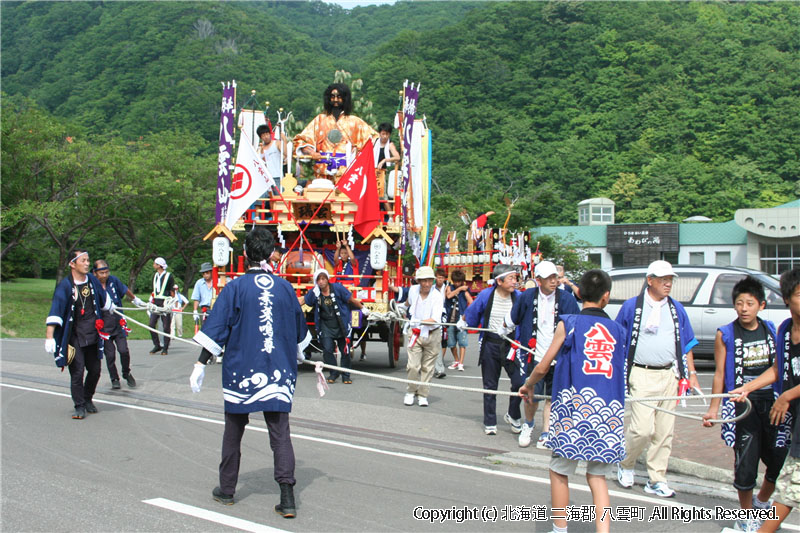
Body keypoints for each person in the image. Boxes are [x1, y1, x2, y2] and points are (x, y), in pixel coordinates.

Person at [189, 227, 311, 518]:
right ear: (271, 254)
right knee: (280, 433)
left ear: (244, 254)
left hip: (241, 369)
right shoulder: (285, 288)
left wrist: (200, 363)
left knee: (233, 429)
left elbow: (216, 330)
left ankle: (227, 490)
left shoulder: (234, 288)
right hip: (279, 371)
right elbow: (300, 335)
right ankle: (288, 496)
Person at [519, 269, 627, 533]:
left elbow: (544, 365)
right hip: (607, 412)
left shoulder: (568, 323)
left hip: (573, 410)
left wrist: (529, 384)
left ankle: (559, 528)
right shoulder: (618, 331)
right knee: (597, 476)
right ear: (607, 297)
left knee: (559, 470)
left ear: (578, 294)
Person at [701, 275, 788, 532]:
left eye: (750, 303)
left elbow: (778, 368)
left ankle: (763, 502)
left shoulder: (772, 329)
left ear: (761, 305)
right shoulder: (725, 333)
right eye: (739, 303)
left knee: (779, 460)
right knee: (746, 462)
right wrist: (714, 409)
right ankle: (746, 515)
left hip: (772, 403)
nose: (744, 308)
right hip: (742, 406)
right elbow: (719, 374)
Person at [615, 260, 700, 498]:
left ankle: (657, 478)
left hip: (670, 374)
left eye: (670, 279)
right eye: (663, 279)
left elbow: (687, 344)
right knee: (642, 429)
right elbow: (618, 339)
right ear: (649, 280)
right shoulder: (632, 307)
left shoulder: (676, 309)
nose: (667, 283)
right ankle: (626, 462)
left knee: (664, 431)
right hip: (641, 373)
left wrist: (691, 374)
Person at [730, 267, 800, 533]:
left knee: (788, 486)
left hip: (789, 412)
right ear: (786, 298)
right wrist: (747, 388)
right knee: (789, 487)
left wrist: (786, 396)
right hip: (795, 420)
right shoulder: (784, 330)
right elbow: (777, 368)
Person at [504, 260, 580, 449]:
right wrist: (502, 329)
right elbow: (513, 317)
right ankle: (528, 424)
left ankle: (547, 431)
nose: (554, 281)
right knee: (530, 393)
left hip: (558, 355)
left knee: (551, 396)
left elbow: (575, 325)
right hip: (533, 354)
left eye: (555, 277)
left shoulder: (567, 299)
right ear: (538, 280)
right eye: (549, 278)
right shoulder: (527, 296)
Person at [45, 250, 113, 419]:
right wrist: (49, 336)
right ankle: (79, 405)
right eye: (83, 260)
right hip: (75, 336)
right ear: (72, 264)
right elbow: (56, 310)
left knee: (95, 370)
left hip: (92, 334)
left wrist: (111, 305)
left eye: (88, 260)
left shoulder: (92, 281)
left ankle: (88, 398)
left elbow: (104, 299)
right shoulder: (66, 286)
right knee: (77, 372)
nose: (87, 263)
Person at [461, 264, 524, 435]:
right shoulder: (486, 295)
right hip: (491, 342)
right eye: (511, 278)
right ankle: (490, 421)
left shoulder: (519, 297)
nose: (514, 282)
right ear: (499, 281)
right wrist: (464, 321)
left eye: (515, 278)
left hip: (512, 344)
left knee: (520, 382)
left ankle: (513, 414)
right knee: (490, 385)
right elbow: (472, 311)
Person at [293, 83, 377, 181]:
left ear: (345, 99)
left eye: (339, 97)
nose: (335, 100)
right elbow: (301, 140)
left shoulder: (355, 121)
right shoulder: (319, 120)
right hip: (322, 171)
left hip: (347, 173)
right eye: (332, 97)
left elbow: (374, 139)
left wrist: (357, 154)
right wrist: (312, 152)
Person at [92, 260, 145, 390]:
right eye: (101, 273)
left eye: (106, 272)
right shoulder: (92, 285)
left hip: (117, 322)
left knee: (124, 350)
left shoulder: (113, 281)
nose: (104, 275)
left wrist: (135, 299)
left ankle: (126, 372)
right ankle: (114, 378)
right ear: (95, 273)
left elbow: (125, 289)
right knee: (110, 355)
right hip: (104, 326)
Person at [304, 269, 363, 384]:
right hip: (326, 325)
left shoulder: (338, 288)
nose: (321, 282)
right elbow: (307, 301)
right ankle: (333, 372)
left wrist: (363, 309)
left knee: (345, 350)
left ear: (327, 279)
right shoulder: (315, 292)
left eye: (323, 279)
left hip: (341, 324)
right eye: (318, 280)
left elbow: (351, 299)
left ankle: (346, 375)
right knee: (327, 349)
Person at [401, 266, 445, 407]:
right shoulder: (413, 290)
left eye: (429, 281)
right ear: (419, 281)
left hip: (432, 333)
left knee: (428, 367)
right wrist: (400, 307)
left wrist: (417, 321)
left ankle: (423, 394)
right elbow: (409, 303)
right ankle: (410, 391)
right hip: (415, 333)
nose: (426, 284)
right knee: (413, 366)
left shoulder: (437, 296)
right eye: (423, 281)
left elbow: (435, 319)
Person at [445, 269, 473, 373]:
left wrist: (466, 315)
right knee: (451, 343)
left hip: (461, 320)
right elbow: (448, 296)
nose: (457, 283)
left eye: (459, 282)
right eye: (455, 281)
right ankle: (456, 360)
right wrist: (460, 288)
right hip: (450, 319)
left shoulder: (465, 292)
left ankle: (461, 362)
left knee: (462, 342)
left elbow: (472, 302)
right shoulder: (449, 287)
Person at [148, 257, 176, 356]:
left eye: (155, 263)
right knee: (151, 324)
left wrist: (172, 301)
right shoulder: (155, 275)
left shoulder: (169, 276)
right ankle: (157, 345)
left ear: (159, 265)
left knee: (166, 326)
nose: (153, 265)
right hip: (156, 302)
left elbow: (172, 290)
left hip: (165, 302)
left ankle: (165, 347)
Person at [373, 122, 400, 198]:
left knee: (382, 195)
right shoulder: (374, 141)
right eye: (383, 134)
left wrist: (385, 160)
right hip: (371, 171)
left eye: (387, 134)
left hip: (381, 172)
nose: (385, 136)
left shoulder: (390, 145)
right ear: (380, 133)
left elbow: (397, 157)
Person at [433, 268, 450, 379]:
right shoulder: (431, 289)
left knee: (441, 341)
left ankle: (439, 367)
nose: (440, 280)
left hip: (443, 317)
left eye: (442, 278)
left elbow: (449, 297)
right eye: (438, 277)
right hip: (431, 318)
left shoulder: (447, 288)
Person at [192, 262, 215, 327]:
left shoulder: (217, 281)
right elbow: (196, 298)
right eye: (203, 273)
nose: (205, 275)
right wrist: (195, 310)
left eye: (207, 273)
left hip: (216, 308)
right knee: (204, 329)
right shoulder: (199, 283)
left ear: (211, 272)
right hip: (205, 309)